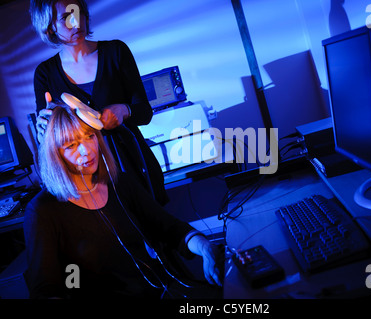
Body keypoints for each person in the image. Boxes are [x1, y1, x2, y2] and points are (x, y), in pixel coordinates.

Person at [24, 103, 222, 299]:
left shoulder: (120, 183)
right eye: (71, 145)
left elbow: (168, 228)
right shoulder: (43, 211)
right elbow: (46, 289)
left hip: (165, 290)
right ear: (54, 154)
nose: (87, 151)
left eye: (90, 136)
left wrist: (206, 248)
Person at [29, 0, 169, 205]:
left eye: (79, 13)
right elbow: (49, 141)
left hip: (133, 165)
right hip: (86, 178)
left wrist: (124, 110)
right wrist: (44, 130)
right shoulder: (45, 74)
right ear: (50, 26)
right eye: (66, 17)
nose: (76, 22)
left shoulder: (116, 52)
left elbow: (144, 112)